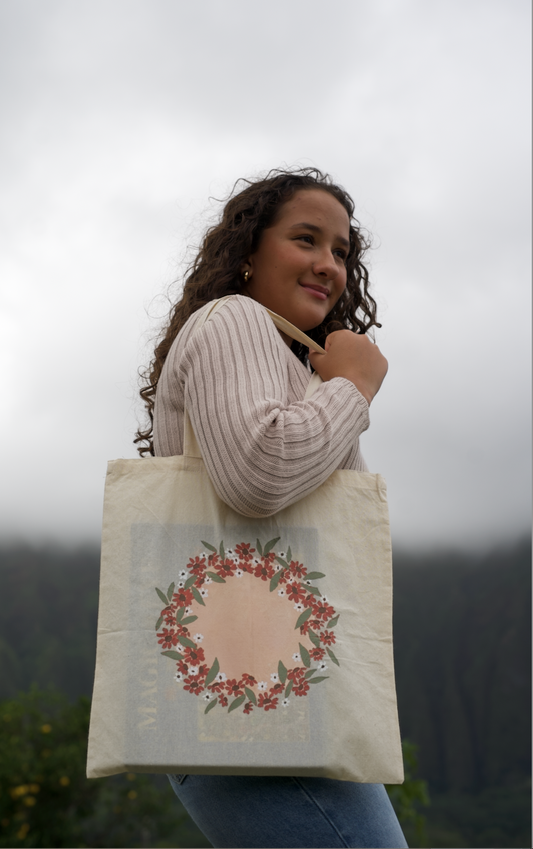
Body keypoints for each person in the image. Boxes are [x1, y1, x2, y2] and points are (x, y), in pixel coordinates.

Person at [135, 168, 407, 849]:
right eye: (305, 239)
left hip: (267, 695)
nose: (328, 264)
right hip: (260, 708)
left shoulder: (281, 354)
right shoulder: (235, 320)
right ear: (248, 252)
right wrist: (354, 386)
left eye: (341, 251)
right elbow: (258, 474)